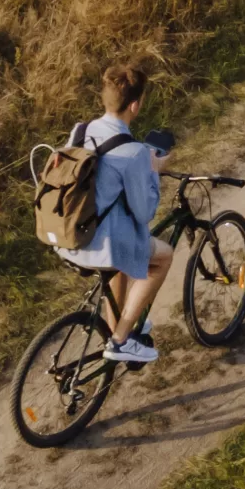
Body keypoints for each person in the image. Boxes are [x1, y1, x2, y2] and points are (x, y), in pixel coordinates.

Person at [63, 60, 172, 364]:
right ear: (135, 106)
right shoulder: (134, 152)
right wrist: (153, 170)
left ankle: (116, 325)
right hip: (100, 245)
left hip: (70, 235)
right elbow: (145, 212)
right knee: (163, 257)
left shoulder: (81, 131)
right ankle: (121, 340)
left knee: (121, 259)